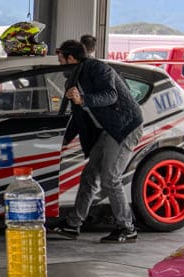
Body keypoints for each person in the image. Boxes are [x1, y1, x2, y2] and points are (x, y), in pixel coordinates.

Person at [51, 39, 143, 243]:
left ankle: (127, 228)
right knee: (89, 176)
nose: (59, 63)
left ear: (71, 58)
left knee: (111, 177)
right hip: (106, 131)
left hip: (123, 127)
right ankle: (73, 225)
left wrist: (84, 99)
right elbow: (78, 116)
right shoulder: (73, 78)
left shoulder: (98, 69)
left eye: (61, 58)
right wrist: (64, 139)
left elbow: (110, 95)